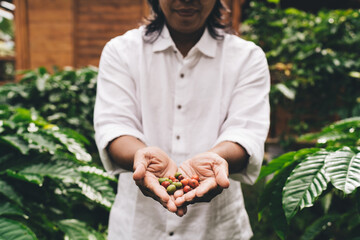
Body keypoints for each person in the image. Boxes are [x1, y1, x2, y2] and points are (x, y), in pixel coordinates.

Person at [93, 0, 270, 239]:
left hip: (218, 230)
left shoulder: (247, 57)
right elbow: (115, 126)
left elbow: (246, 131)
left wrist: (217, 160)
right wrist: (141, 157)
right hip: (138, 229)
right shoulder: (121, 51)